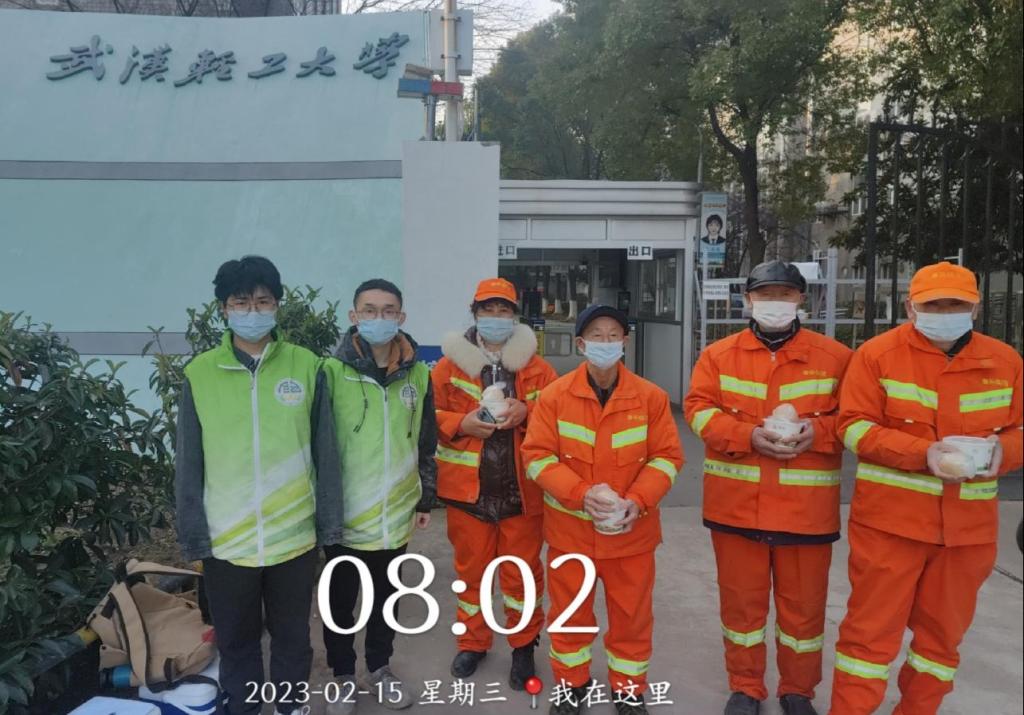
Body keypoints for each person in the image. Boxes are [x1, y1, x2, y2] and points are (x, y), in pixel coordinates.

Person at [829, 261, 1022, 715]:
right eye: (934, 305)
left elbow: (1019, 429)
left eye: (956, 304)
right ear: (910, 308)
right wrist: (923, 454)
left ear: (975, 308)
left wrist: (1005, 452)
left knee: (940, 642)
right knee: (869, 637)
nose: (945, 312)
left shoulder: (1006, 362)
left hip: (967, 533)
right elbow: (852, 426)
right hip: (890, 525)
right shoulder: (877, 356)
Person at [174, 255, 342, 715]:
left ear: (277, 305)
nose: (253, 310)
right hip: (227, 540)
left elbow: (326, 452)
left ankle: (290, 706)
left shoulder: (307, 366)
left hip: (294, 538)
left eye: (263, 301)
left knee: (292, 638)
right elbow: (188, 462)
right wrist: (194, 533)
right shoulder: (200, 373)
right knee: (236, 640)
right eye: (241, 302)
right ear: (223, 309)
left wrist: (328, 527)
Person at [684, 260, 853, 715]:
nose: (774, 302)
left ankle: (797, 691)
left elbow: (856, 418)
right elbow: (698, 410)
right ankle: (746, 687)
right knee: (742, 609)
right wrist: (746, 436)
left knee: (804, 612)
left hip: (806, 512)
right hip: (736, 508)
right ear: (748, 300)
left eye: (784, 294)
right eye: (765, 294)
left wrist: (819, 432)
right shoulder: (718, 356)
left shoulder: (836, 358)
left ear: (801, 299)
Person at [521, 305, 684, 715]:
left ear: (625, 342)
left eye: (614, 335)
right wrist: (579, 493)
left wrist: (637, 500)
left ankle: (628, 691)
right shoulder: (555, 397)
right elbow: (536, 456)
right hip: (571, 535)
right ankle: (571, 686)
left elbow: (667, 457)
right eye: (597, 335)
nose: (605, 343)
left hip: (632, 536)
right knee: (570, 615)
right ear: (581, 344)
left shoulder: (650, 397)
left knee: (631, 618)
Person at [431, 277, 558, 690]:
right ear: (475, 314)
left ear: (515, 316)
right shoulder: (449, 366)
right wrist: (461, 423)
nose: (496, 317)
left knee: (521, 577)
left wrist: (528, 412)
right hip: (468, 494)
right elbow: (428, 417)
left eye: (504, 310)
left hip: (522, 493)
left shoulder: (538, 368)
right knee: (472, 575)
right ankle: (473, 643)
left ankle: (523, 646)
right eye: (488, 309)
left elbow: (560, 419)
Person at [320, 279, 437, 713]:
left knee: (386, 598)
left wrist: (424, 498)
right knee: (340, 601)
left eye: (388, 311)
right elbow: (319, 446)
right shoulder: (331, 373)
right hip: (346, 515)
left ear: (400, 317)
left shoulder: (418, 374)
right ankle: (342, 674)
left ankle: (379, 668)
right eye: (369, 310)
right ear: (354, 316)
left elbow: (426, 441)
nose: (379, 318)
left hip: (395, 513)